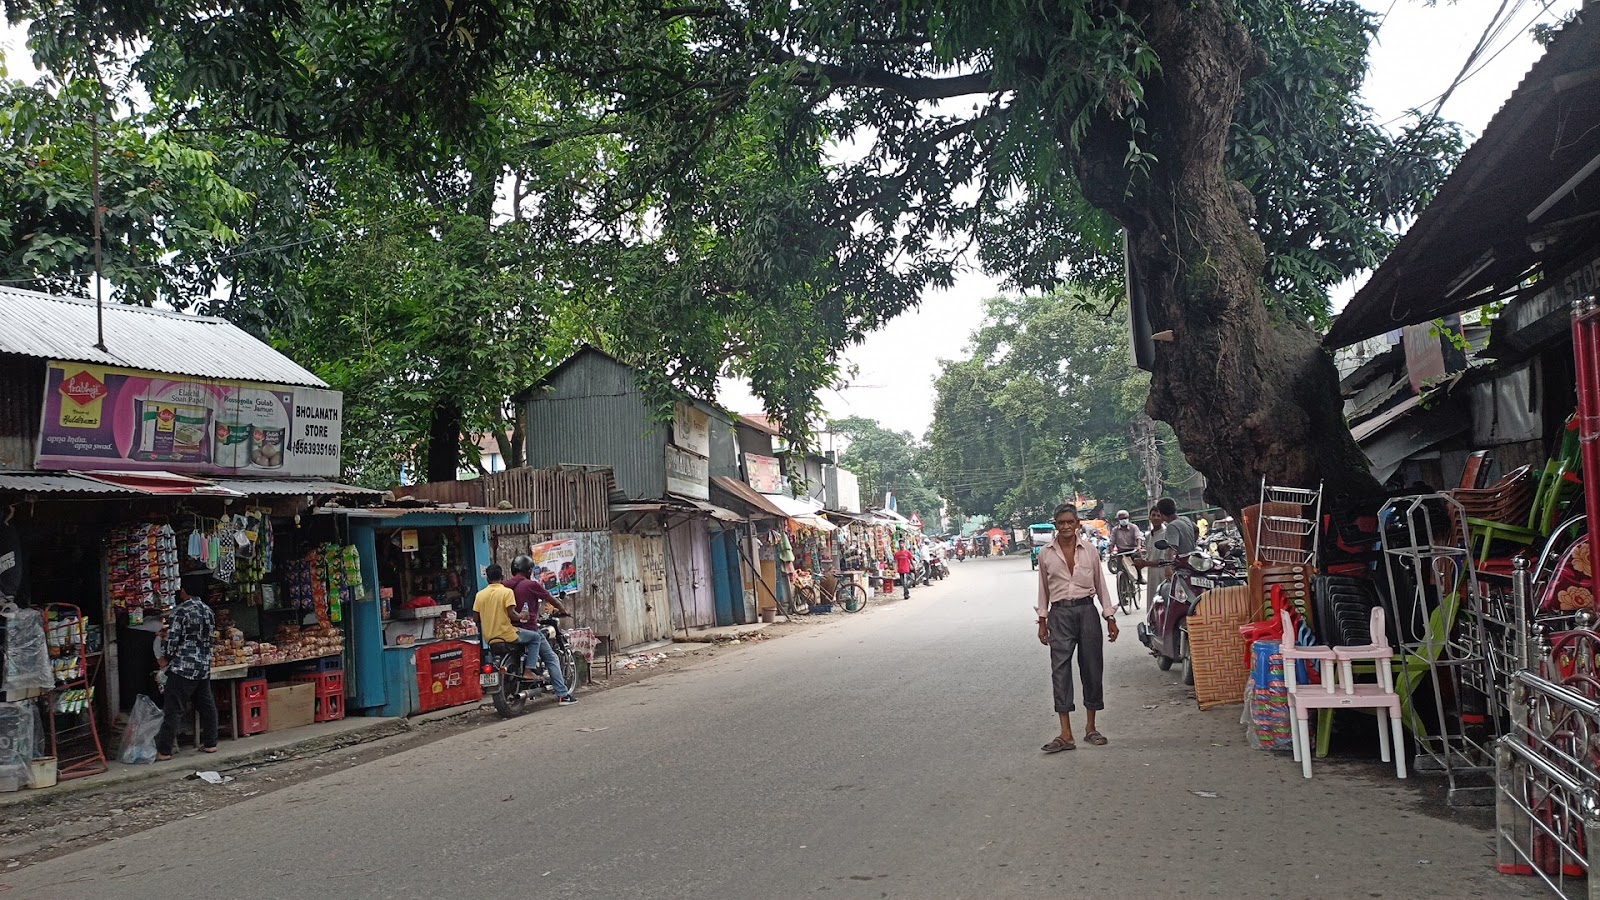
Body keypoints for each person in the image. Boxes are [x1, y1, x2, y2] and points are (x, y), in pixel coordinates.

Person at [1035, 503, 1118, 753]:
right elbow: (1043, 590)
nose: (1066, 526)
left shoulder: (1090, 551)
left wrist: (1109, 617)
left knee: (1092, 667)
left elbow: (1101, 585)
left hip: (1087, 612)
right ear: (1055, 525)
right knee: (1060, 671)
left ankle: (1091, 728)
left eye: (1070, 522)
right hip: (1059, 614)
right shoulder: (1046, 554)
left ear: (1078, 524)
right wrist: (1042, 621)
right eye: (1061, 523)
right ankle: (1065, 733)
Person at [474, 564, 576, 705]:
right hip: (512, 631)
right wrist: (523, 616)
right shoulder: (509, 590)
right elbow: (513, 614)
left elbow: (476, 619)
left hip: (490, 637)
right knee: (549, 655)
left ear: (487, 578)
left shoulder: (481, 594)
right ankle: (561, 694)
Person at [155, 574, 218, 760]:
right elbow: (210, 637)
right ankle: (211, 743)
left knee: (173, 708)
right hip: (203, 665)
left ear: (184, 591)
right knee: (206, 705)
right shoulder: (208, 611)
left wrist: (165, 658)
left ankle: (164, 750)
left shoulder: (180, 612)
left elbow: (174, 640)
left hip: (184, 665)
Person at [1134, 506, 1171, 608]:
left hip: (1163, 573)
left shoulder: (1166, 534)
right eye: (1153, 515)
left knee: (1163, 604)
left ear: (1163, 518)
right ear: (1149, 517)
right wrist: (1142, 562)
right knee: (1152, 604)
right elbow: (1150, 556)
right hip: (1152, 574)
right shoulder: (1148, 536)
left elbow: (1165, 560)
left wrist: (1145, 563)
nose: (1156, 518)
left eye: (1159, 515)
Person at [1108, 510, 1145, 583]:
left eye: (1125, 518)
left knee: (1137, 561)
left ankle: (1140, 577)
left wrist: (1138, 546)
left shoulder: (1134, 527)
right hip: (1121, 552)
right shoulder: (1115, 530)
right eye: (1121, 519)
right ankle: (1121, 583)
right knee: (1119, 568)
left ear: (1128, 518)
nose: (1123, 520)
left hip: (1133, 550)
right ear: (1118, 520)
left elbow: (1138, 537)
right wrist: (1112, 551)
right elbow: (1111, 542)